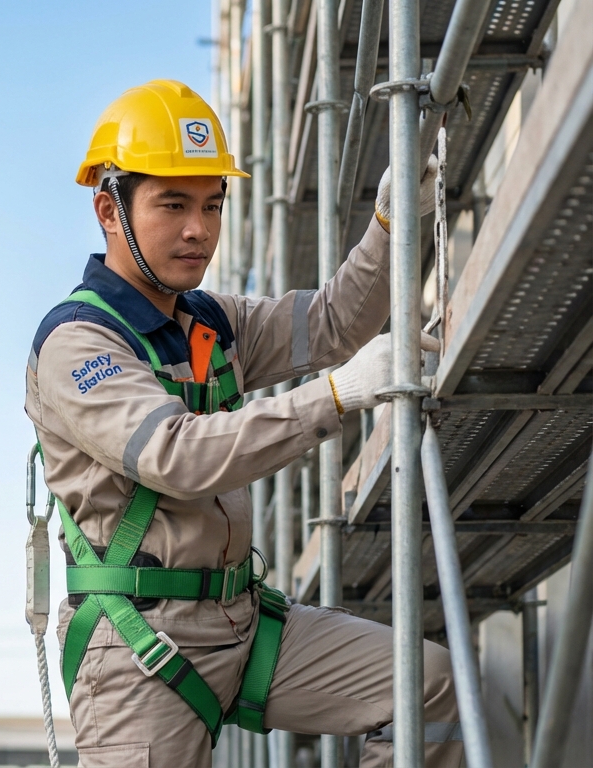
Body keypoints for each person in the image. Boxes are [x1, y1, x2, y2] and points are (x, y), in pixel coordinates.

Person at [24, 80, 459, 767]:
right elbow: (177, 456)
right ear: (110, 210)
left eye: (211, 205)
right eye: (172, 204)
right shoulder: (79, 343)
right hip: (139, 646)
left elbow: (334, 323)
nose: (198, 229)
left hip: (242, 620)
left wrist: (387, 226)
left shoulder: (211, 321)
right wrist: (336, 397)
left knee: (426, 685)